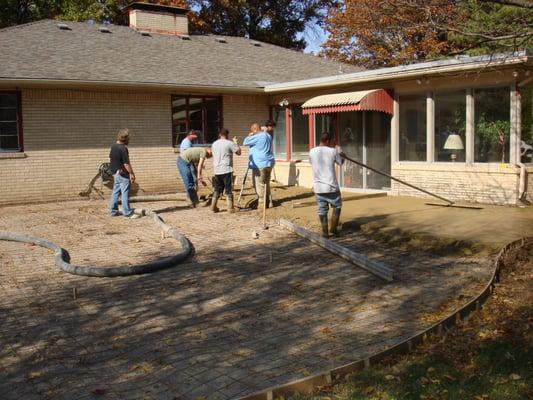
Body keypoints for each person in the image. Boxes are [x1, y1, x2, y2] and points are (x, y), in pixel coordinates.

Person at [309, 132, 345, 238]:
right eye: (332, 141)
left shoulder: (312, 151)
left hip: (318, 187)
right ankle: (333, 229)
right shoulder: (332, 151)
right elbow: (340, 162)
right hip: (331, 186)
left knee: (322, 209)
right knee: (337, 206)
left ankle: (325, 233)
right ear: (328, 141)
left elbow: (312, 163)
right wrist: (343, 157)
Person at [108, 129, 140, 219]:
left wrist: (115, 171)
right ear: (125, 138)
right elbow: (126, 164)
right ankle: (127, 213)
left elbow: (111, 159)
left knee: (115, 192)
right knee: (125, 193)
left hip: (116, 173)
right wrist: (132, 173)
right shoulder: (123, 148)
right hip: (123, 174)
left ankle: (112, 211)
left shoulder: (113, 146)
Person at [243, 120, 275, 209]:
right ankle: (269, 202)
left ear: (255, 130)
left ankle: (261, 203)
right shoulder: (268, 135)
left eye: (252, 131)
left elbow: (245, 142)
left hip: (260, 164)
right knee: (266, 183)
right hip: (269, 162)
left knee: (259, 184)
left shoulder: (258, 136)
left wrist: (250, 135)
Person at [211, 128, 241, 213]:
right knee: (228, 188)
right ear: (227, 135)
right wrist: (235, 142)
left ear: (219, 134)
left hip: (217, 169)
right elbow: (238, 152)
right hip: (226, 169)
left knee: (217, 188)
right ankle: (230, 208)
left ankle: (213, 207)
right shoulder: (229, 143)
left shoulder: (214, 144)